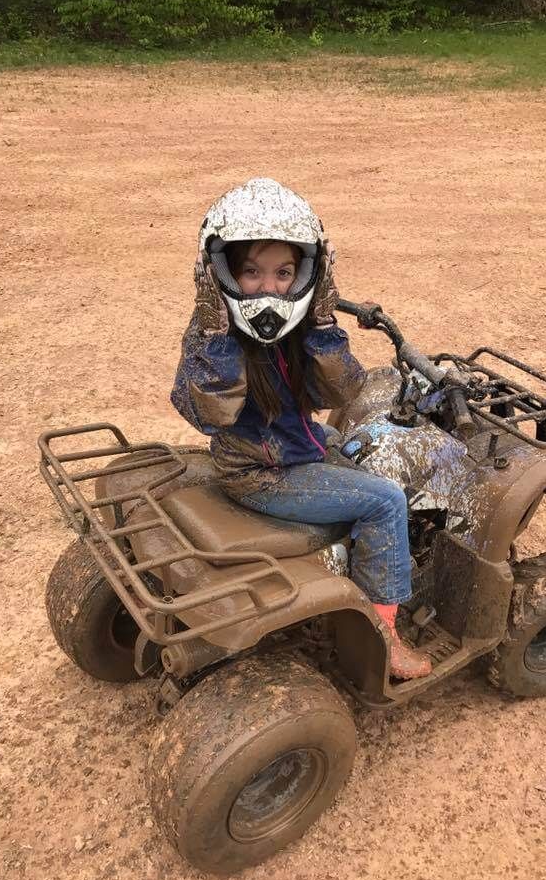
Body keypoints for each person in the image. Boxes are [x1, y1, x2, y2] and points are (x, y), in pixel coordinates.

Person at [171, 177, 431, 679]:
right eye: (251, 272)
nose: (269, 288)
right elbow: (211, 414)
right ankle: (385, 635)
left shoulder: (300, 328)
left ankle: (364, 557)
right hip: (262, 471)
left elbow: (339, 394)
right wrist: (214, 336)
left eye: (284, 273)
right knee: (386, 500)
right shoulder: (212, 335)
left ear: (308, 274)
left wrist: (324, 323)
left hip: (293, 447)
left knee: (367, 444)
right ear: (219, 273)